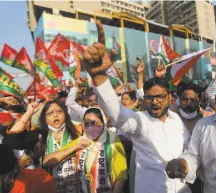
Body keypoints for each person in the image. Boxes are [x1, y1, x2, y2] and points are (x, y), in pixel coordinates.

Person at [81, 20, 191, 193]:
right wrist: (99, 77)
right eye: (150, 97)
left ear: (170, 98)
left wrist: (184, 164)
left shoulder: (177, 119)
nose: (155, 102)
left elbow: (189, 150)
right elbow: (118, 115)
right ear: (144, 99)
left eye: (160, 97)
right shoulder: (139, 121)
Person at [76, 107, 127, 193]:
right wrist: (74, 147)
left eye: (94, 123)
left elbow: (121, 175)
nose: (90, 127)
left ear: (103, 123)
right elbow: (49, 160)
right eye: (86, 124)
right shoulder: (80, 141)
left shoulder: (113, 140)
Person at [39, 100, 82, 193]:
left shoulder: (79, 131)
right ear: (44, 118)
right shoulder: (40, 138)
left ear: (65, 114)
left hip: (78, 186)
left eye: (59, 111)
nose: (55, 115)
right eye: (50, 113)